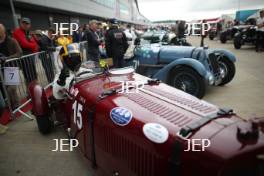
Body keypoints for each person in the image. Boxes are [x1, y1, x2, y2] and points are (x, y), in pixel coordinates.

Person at [0, 23, 22, 110]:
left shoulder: (12, 41)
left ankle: (16, 105)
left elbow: (19, 53)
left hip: (11, 67)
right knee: (5, 89)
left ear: (3, 31)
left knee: (11, 88)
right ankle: (10, 105)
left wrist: (7, 58)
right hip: (1, 69)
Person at [13, 17, 38, 85]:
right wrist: (33, 45)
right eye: (23, 23)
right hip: (24, 57)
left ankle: (35, 90)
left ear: (29, 25)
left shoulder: (28, 33)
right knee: (28, 76)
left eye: (27, 23)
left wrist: (32, 45)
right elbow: (24, 44)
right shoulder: (17, 32)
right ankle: (30, 92)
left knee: (33, 75)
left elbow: (35, 43)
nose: (25, 25)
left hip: (30, 56)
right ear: (20, 23)